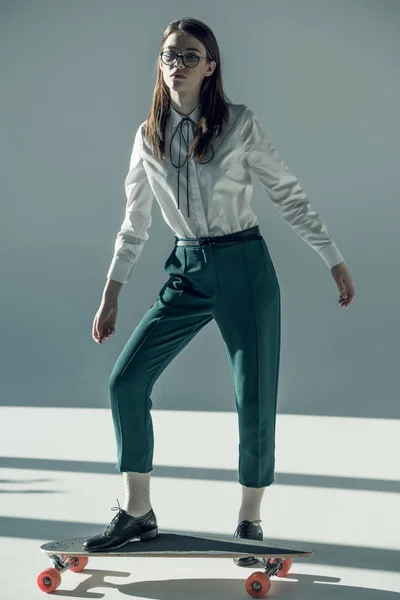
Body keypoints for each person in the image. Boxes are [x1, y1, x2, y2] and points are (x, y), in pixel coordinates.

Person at [84, 17, 355, 564]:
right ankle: (139, 512)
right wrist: (112, 291)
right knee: (126, 382)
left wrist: (332, 258)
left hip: (244, 267)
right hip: (186, 270)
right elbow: (134, 223)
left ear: (210, 66)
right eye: (168, 55)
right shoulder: (147, 136)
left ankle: (249, 521)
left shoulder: (239, 124)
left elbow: (288, 193)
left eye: (188, 56)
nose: (175, 65)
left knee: (253, 399)